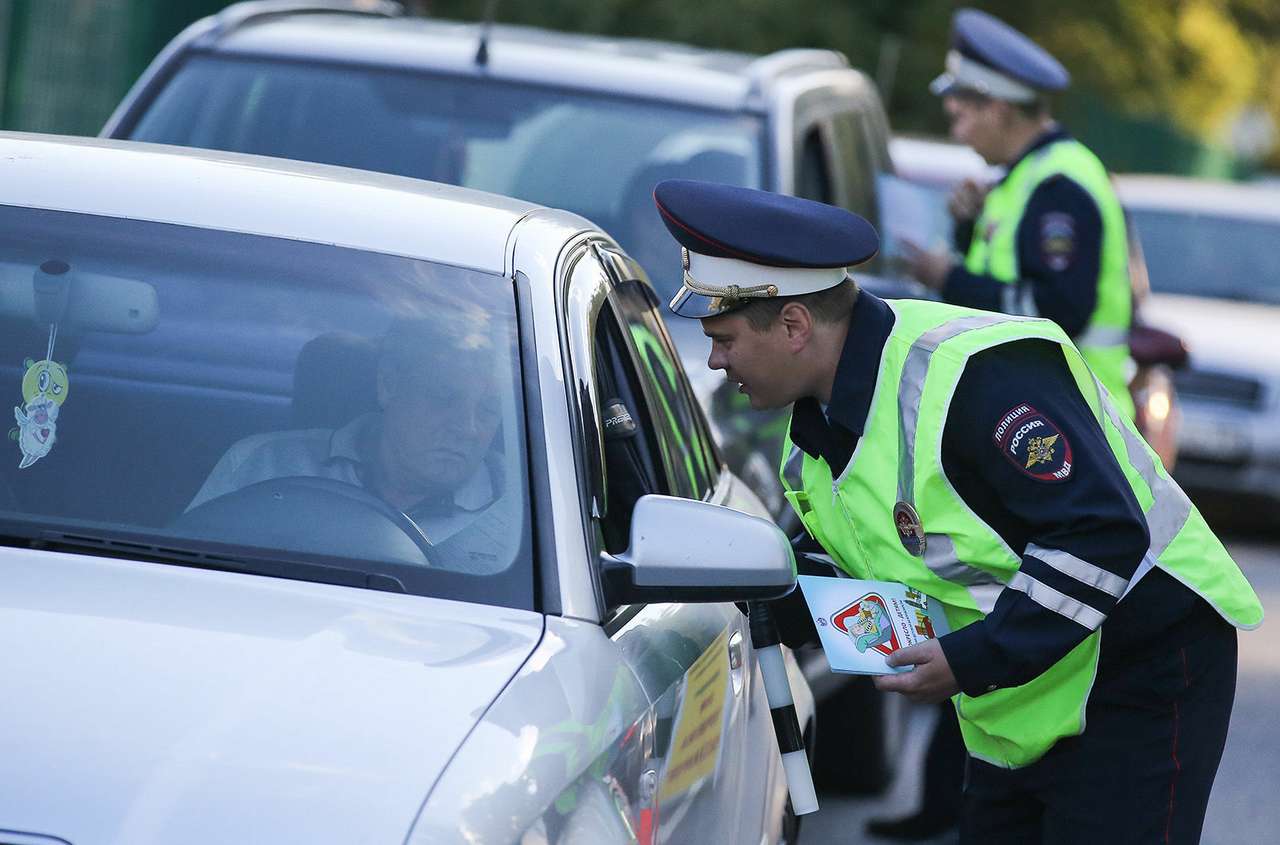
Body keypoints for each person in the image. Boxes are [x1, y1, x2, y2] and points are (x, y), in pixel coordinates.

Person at [653, 178, 1263, 844]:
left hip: (1140, 662)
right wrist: (755, 587)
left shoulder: (972, 377)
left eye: (725, 338)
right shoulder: (815, 448)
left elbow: (1101, 532)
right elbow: (888, 578)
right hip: (1022, 693)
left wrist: (972, 657)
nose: (714, 361)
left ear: (795, 325)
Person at [903, 8, 1136, 420]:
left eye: (960, 116)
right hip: (1048, 407)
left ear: (998, 110)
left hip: (1076, 417)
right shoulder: (1027, 177)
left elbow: (1057, 311)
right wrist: (967, 228)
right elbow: (1006, 274)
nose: (956, 133)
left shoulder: (1058, 188)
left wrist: (946, 278)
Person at [188, 317, 513, 573]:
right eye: (444, 399)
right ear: (388, 385)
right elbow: (187, 577)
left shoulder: (527, 514)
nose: (468, 428)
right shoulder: (261, 464)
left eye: (488, 410)